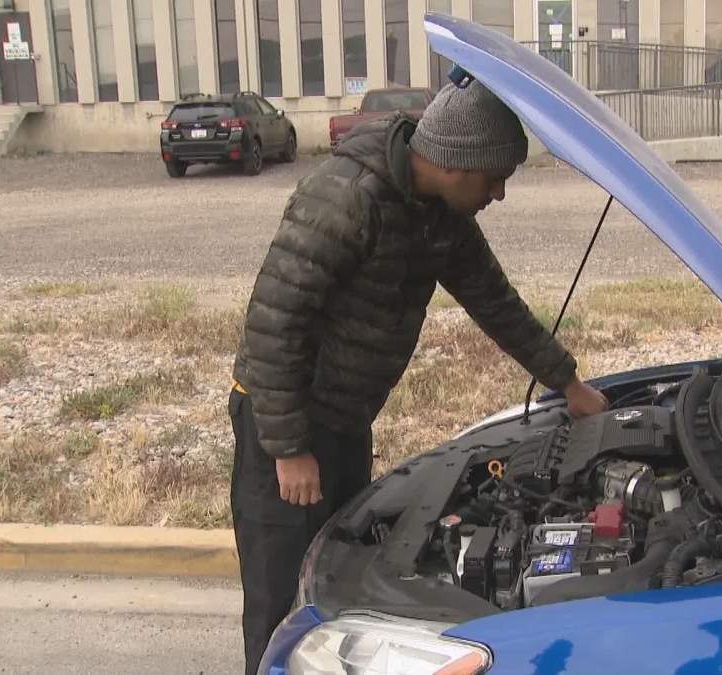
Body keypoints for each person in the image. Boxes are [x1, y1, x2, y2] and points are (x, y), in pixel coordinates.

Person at [228, 79, 609, 674]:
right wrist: (290, 448)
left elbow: (495, 302)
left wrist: (570, 383)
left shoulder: (439, 215)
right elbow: (275, 324)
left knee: (338, 584)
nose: (500, 194)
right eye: (495, 178)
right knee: (281, 600)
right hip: (284, 422)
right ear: (457, 164)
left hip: (345, 419)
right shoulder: (344, 198)